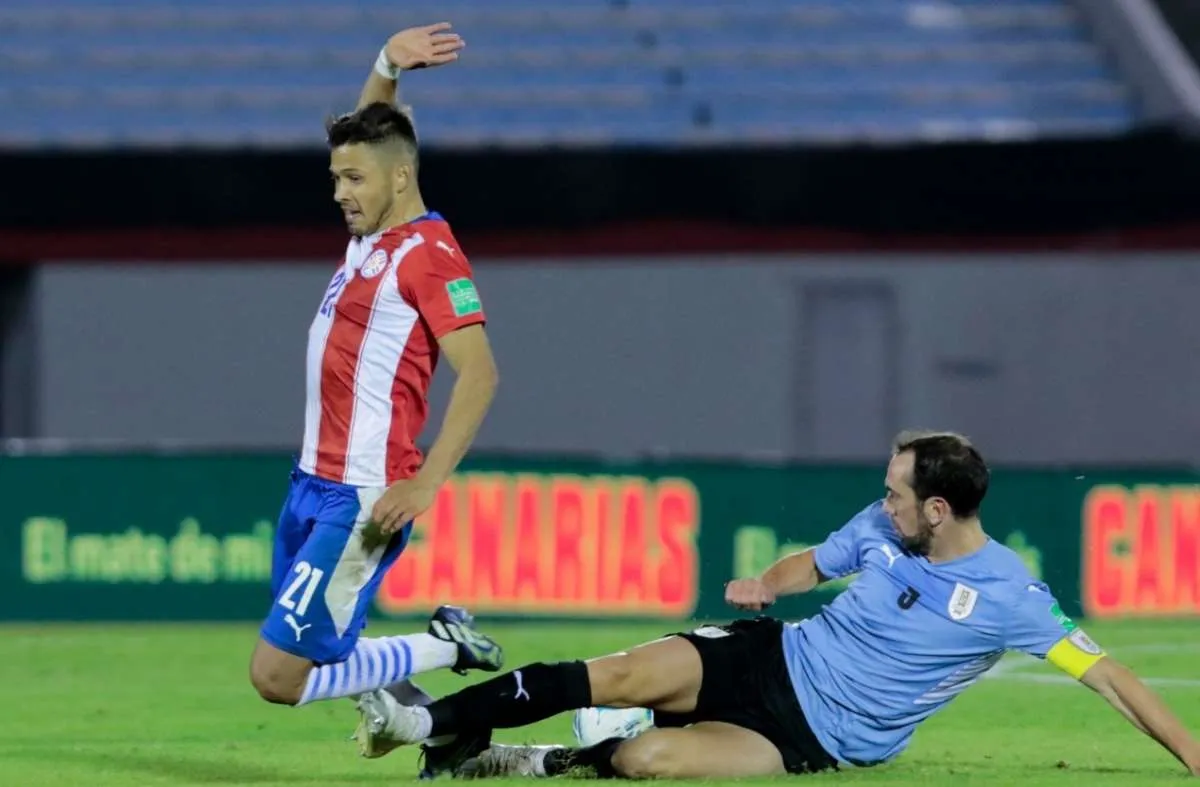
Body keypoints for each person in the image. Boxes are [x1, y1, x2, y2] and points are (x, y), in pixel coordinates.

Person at [352, 431, 1200, 779]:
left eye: (899, 493)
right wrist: (771, 583)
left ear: (938, 510)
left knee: (650, 761)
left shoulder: (1013, 596)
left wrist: (1194, 756)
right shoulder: (881, 524)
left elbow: (1113, 678)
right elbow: (813, 561)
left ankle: (531, 761)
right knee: (613, 673)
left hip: (813, 735)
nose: (885, 500)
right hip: (770, 651)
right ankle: (433, 724)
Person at [248, 23, 506, 711]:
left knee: (277, 675)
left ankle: (446, 648)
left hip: (363, 493)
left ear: (400, 179)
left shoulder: (429, 253)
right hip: (310, 481)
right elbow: (374, 131)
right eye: (335, 177)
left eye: (352, 179)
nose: (339, 191)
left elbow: (480, 374)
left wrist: (424, 484)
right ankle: (422, 714)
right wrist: (387, 62)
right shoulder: (372, 236)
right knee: (314, 649)